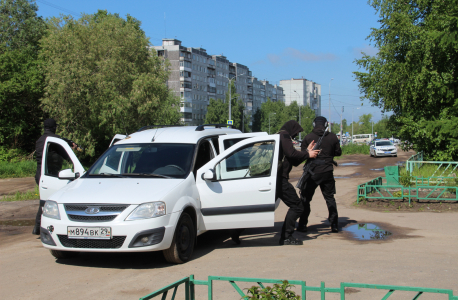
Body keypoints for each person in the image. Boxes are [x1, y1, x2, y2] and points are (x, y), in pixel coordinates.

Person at [276, 120, 320, 245]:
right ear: (292, 129)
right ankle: (286, 237)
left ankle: (235, 231)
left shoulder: (283, 136)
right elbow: (291, 153)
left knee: (262, 207)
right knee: (297, 206)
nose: (295, 136)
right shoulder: (284, 135)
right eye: (296, 133)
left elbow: (294, 160)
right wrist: (307, 154)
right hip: (279, 180)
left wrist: (306, 151)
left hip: (276, 179)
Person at [297, 116, 342, 233]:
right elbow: (338, 152)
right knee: (330, 198)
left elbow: (303, 154)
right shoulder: (332, 137)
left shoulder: (308, 137)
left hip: (312, 173)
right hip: (327, 171)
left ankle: (302, 225)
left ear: (314, 124)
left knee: (305, 199)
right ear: (326, 125)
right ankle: (334, 225)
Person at [32, 118, 76, 235]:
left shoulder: (40, 140)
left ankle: (37, 228)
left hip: (40, 174)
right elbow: (66, 155)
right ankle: (43, 228)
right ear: (54, 127)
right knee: (49, 202)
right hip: (51, 175)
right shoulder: (54, 140)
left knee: (45, 201)